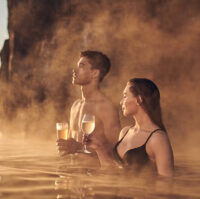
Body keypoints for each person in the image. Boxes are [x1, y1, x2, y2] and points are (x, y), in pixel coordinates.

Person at [84, 78, 174, 177]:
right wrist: (99, 149)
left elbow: (166, 182)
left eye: (125, 96)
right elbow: (115, 171)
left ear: (138, 100)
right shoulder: (125, 132)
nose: (121, 102)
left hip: (142, 192)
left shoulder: (158, 138)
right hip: (122, 191)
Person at [57, 50, 121, 161]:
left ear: (95, 73)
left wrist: (79, 147)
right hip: (73, 172)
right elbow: (74, 146)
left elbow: (117, 150)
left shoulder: (105, 107)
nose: (74, 70)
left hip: (94, 174)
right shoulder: (76, 105)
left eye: (81, 66)